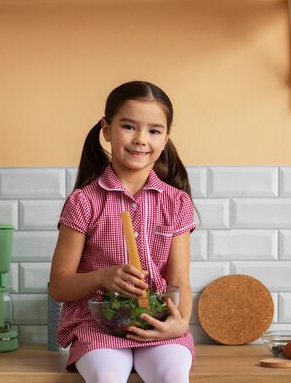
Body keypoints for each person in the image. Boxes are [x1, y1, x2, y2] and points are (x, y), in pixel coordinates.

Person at [49, 80, 196, 383]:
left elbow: (179, 280)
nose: (141, 139)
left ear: (166, 138)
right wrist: (103, 277)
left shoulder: (177, 202)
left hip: (158, 324)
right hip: (97, 326)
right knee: (106, 376)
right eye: (129, 126)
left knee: (173, 376)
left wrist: (179, 325)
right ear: (106, 129)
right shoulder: (84, 202)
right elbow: (59, 286)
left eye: (154, 131)